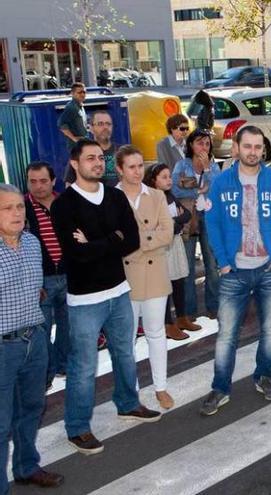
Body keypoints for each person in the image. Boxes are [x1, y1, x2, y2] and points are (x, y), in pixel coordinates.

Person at [51, 139, 162, 455]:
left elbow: (132, 241)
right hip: (85, 300)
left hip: (119, 291)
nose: (98, 163)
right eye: (90, 159)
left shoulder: (114, 196)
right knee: (83, 366)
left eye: (101, 158)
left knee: (125, 354)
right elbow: (77, 254)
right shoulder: (64, 206)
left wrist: (97, 242)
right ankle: (78, 427)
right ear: (75, 163)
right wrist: (112, 239)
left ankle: (128, 403)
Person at [199, 126, 271, 416]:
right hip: (234, 272)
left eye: (257, 147)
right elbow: (212, 222)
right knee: (226, 334)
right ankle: (220, 387)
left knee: (270, 331)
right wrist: (224, 262)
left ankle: (263, 376)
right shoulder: (221, 183)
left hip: (269, 270)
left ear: (263, 150)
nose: (253, 152)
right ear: (236, 148)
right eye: (247, 146)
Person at [0, 184, 65, 490]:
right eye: (7, 208)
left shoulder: (31, 243)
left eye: (19, 207)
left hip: (34, 339)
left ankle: (26, 467)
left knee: (31, 409)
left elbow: (37, 290)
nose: (16, 213)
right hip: (2, 347)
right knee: (0, 424)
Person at [116, 146, 177, 410]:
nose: (137, 171)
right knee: (126, 339)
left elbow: (167, 232)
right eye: (131, 166)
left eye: (140, 165)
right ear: (119, 169)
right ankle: (133, 392)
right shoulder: (111, 197)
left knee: (156, 333)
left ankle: (161, 387)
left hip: (154, 274)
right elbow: (111, 238)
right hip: (123, 276)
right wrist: (148, 237)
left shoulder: (156, 195)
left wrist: (134, 240)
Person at [24, 162, 69, 384]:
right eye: (33, 182)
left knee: (67, 326)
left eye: (43, 181)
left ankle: (63, 365)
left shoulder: (66, 203)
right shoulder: (22, 208)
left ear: (53, 181)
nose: (38, 186)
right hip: (40, 281)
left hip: (69, 275)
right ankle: (48, 372)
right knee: (41, 331)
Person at [172, 129, 221, 323]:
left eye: (207, 144)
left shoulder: (213, 166)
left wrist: (207, 170)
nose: (204, 147)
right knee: (188, 266)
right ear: (191, 145)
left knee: (212, 264)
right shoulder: (181, 165)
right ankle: (189, 311)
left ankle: (214, 306)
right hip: (189, 218)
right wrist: (199, 190)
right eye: (200, 143)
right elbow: (175, 188)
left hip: (209, 217)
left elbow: (217, 189)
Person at [144, 163, 192, 342]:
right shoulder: (152, 199)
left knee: (178, 281)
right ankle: (167, 324)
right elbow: (160, 226)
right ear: (153, 181)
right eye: (164, 177)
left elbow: (186, 214)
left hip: (175, 244)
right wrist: (173, 223)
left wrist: (173, 222)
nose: (169, 180)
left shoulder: (170, 196)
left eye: (169, 176)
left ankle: (181, 317)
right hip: (163, 247)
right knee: (164, 285)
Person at [63, 111, 119, 187]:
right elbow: (69, 184)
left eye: (108, 124)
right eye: (100, 124)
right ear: (91, 128)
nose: (105, 127)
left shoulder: (122, 152)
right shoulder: (81, 152)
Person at [58, 83, 87, 151]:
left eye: (84, 92)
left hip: (82, 144)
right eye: (79, 92)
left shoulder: (80, 106)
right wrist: (74, 139)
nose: (82, 94)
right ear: (73, 94)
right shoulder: (71, 107)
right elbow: (61, 124)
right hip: (75, 146)